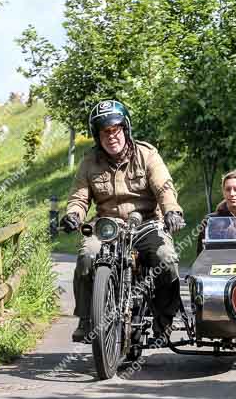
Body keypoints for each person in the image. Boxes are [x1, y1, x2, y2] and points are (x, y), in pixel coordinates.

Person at [60, 100, 185, 342]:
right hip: (107, 226)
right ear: (97, 136)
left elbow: (164, 188)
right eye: (104, 132)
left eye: (115, 129)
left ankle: (164, 318)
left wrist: (172, 211)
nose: (111, 136)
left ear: (125, 129)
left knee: (166, 258)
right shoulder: (89, 162)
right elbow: (79, 197)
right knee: (87, 256)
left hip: (147, 223)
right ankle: (87, 319)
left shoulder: (146, 154)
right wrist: (74, 214)